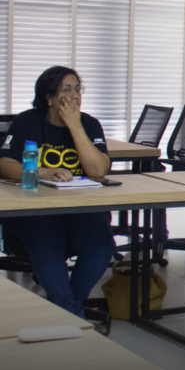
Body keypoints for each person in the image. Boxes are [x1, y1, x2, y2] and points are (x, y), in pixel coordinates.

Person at [0, 66, 115, 318]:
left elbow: (97, 170)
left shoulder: (89, 124)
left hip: (80, 205)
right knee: (47, 248)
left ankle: (65, 311)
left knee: (101, 248)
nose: (75, 96)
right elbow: (5, 164)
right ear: (48, 97)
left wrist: (75, 126)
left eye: (77, 89)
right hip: (36, 207)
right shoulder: (27, 121)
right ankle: (73, 314)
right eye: (66, 89)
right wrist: (41, 172)